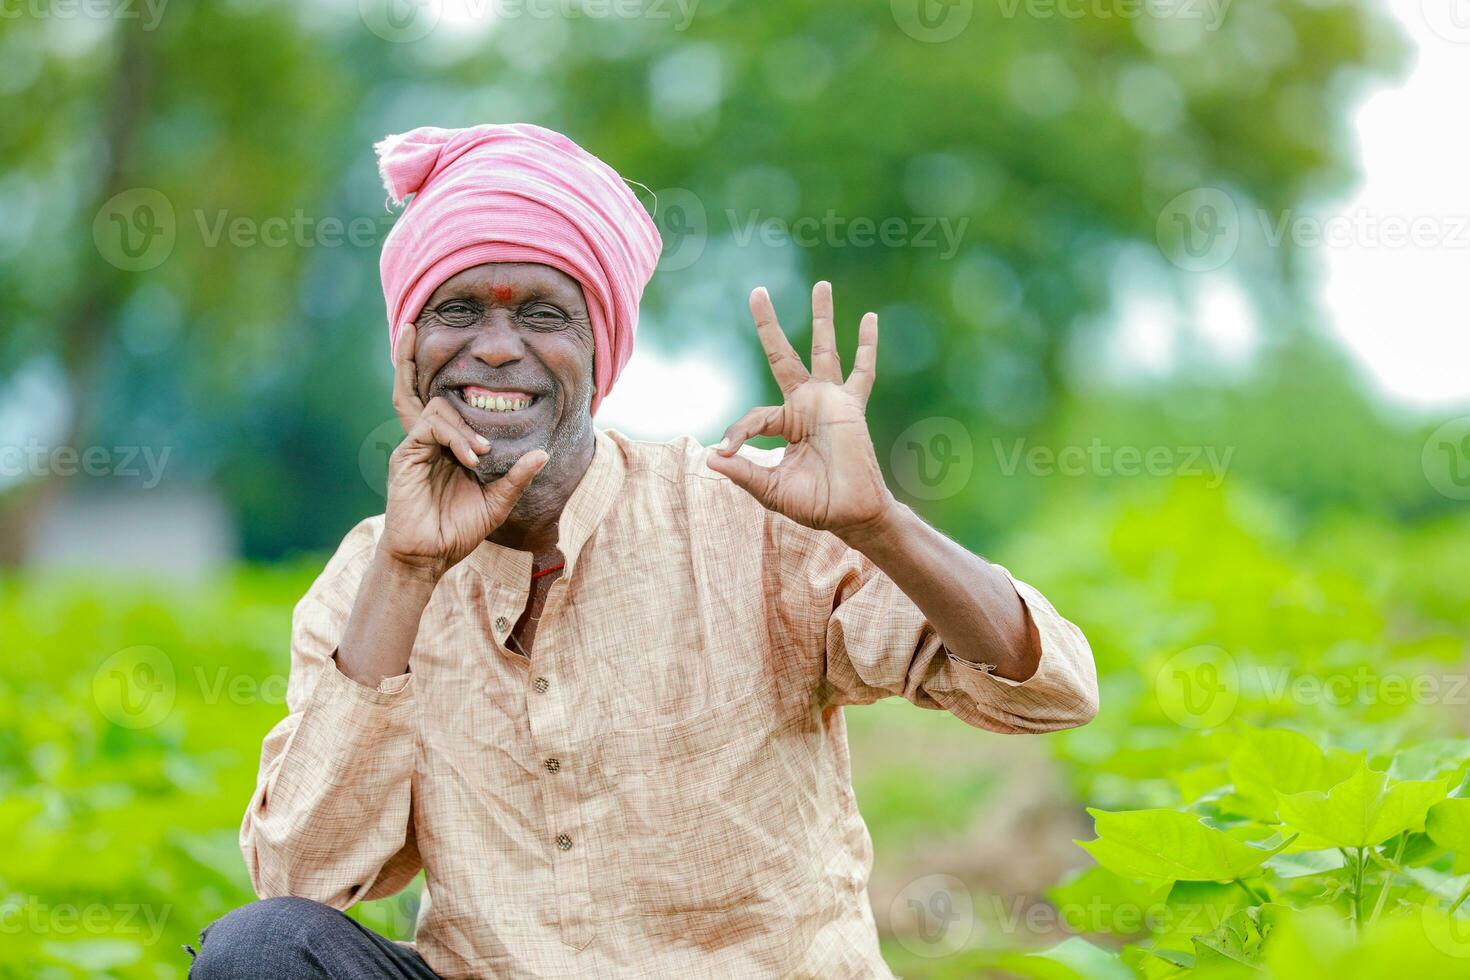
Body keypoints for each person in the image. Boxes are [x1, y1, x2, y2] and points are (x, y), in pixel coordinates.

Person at [188, 123, 1098, 979]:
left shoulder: (746, 514)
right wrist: (408, 572)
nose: (495, 349)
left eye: (543, 314)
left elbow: (1050, 689)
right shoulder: (368, 577)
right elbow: (302, 880)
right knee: (261, 951)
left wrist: (879, 526)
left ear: (600, 350)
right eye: (457, 309)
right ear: (409, 348)